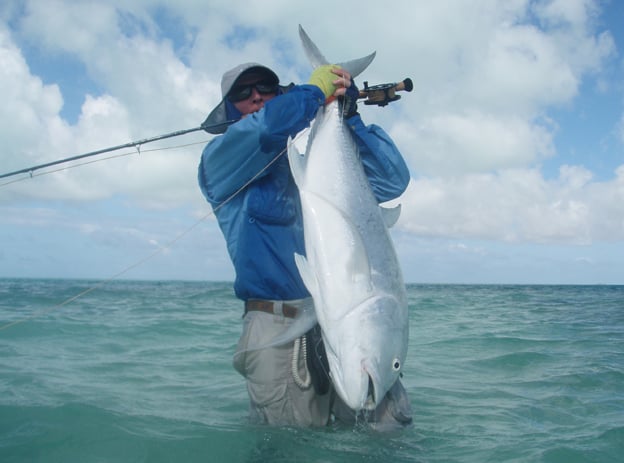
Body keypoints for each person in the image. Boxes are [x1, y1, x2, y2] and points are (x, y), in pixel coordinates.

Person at [197, 62, 412, 428]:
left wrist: (348, 116)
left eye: (265, 87)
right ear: (230, 109)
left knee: (386, 438)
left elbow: (392, 180)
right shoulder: (219, 162)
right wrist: (313, 92)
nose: (256, 97)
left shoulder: (318, 170)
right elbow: (266, 129)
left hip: (346, 318)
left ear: (277, 92)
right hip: (279, 327)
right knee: (291, 448)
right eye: (243, 94)